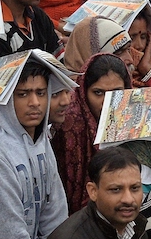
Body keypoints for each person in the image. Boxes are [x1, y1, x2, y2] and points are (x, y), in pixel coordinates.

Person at [0, 61, 68, 238]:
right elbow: (8, 231)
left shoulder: (41, 141)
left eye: (41, 93)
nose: (35, 103)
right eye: (23, 94)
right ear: (6, 99)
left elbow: (55, 216)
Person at [52, 53, 132, 214]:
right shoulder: (71, 123)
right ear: (83, 91)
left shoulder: (133, 113)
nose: (107, 101)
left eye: (116, 92)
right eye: (98, 93)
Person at [49, 147, 147, 239]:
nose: (128, 199)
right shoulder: (71, 236)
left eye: (134, 188)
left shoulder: (137, 226)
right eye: (116, 190)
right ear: (93, 191)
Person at [64, 16, 151, 87]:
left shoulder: (144, 66)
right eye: (118, 52)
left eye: (128, 49)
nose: (130, 59)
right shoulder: (72, 99)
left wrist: (148, 71)